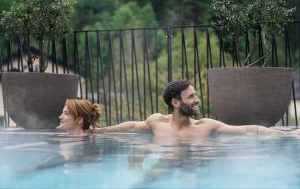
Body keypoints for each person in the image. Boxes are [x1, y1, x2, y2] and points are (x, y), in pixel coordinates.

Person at [94, 80, 300, 138]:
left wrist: (290, 134)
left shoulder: (205, 126)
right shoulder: (156, 122)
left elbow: (248, 130)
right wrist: (100, 131)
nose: (197, 100)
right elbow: (131, 127)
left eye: (196, 95)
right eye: (191, 96)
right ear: (175, 102)